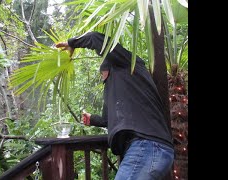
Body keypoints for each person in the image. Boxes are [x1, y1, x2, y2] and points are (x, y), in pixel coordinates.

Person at [56, 31, 174, 180]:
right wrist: (92, 119)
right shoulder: (120, 89)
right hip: (150, 149)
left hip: (147, 146)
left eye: (103, 74)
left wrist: (73, 42)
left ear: (108, 68)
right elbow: (107, 120)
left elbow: (96, 38)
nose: (102, 79)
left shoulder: (128, 64)